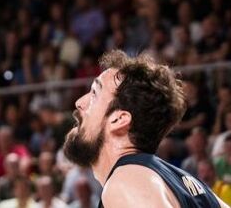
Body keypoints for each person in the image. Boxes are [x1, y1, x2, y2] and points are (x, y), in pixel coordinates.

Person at [62, 50, 229, 207]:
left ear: (119, 119)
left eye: (94, 93)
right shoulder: (186, 182)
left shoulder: (126, 181)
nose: (79, 103)